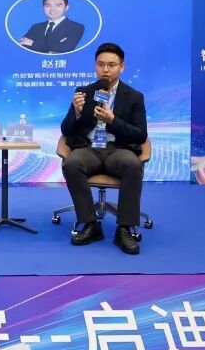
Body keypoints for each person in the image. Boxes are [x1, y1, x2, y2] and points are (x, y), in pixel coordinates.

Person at [60, 43, 147, 255]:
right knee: (71, 164)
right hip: (89, 148)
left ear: (121, 67)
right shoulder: (83, 92)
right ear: (95, 66)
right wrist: (76, 113)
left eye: (111, 65)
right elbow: (66, 130)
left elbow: (140, 134)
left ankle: (125, 229)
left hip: (118, 149)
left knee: (132, 165)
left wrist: (113, 120)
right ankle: (90, 224)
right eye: (100, 64)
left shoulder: (134, 97)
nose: (105, 70)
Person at [19, 0, 85, 54]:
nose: (53, 9)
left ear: (66, 7)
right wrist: (51, 49)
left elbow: (65, 48)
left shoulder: (76, 27)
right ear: (43, 8)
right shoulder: (36, 27)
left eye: (58, 5)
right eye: (48, 6)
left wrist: (33, 43)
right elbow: (23, 45)